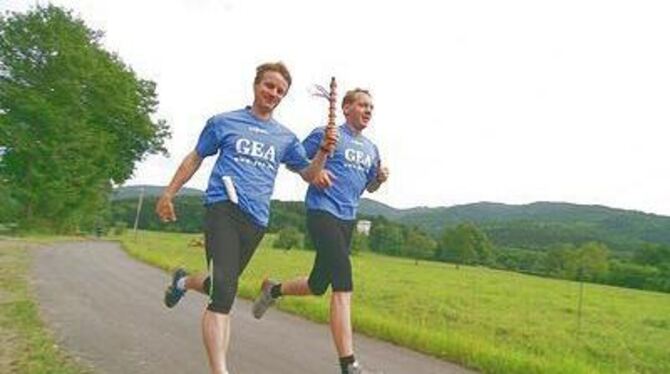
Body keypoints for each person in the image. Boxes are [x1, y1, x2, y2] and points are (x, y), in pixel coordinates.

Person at [155, 62, 338, 374]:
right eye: (269, 86)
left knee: (219, 284)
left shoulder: (285, 137)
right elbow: (195, 157)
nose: (273, 93)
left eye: (280, 91)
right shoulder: (223, 122)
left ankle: (182, 281)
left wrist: (322, 151)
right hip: (222, 208)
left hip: (256, 220)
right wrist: (169, 193)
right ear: (256, 85)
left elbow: (309, 173)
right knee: (224, 294)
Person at [252, 88, 389, 374]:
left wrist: (379, 179)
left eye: (371, 108)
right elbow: (296, 162)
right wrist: (318, 167)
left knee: (317, 285)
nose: (368, 111)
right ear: (346, 107)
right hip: (321, 211)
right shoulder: (325, 133)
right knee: (343, 280)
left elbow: (369, 186)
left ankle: (273, 289)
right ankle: (348, 363)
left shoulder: (372, 148)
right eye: (363, 105)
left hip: (347, 218)